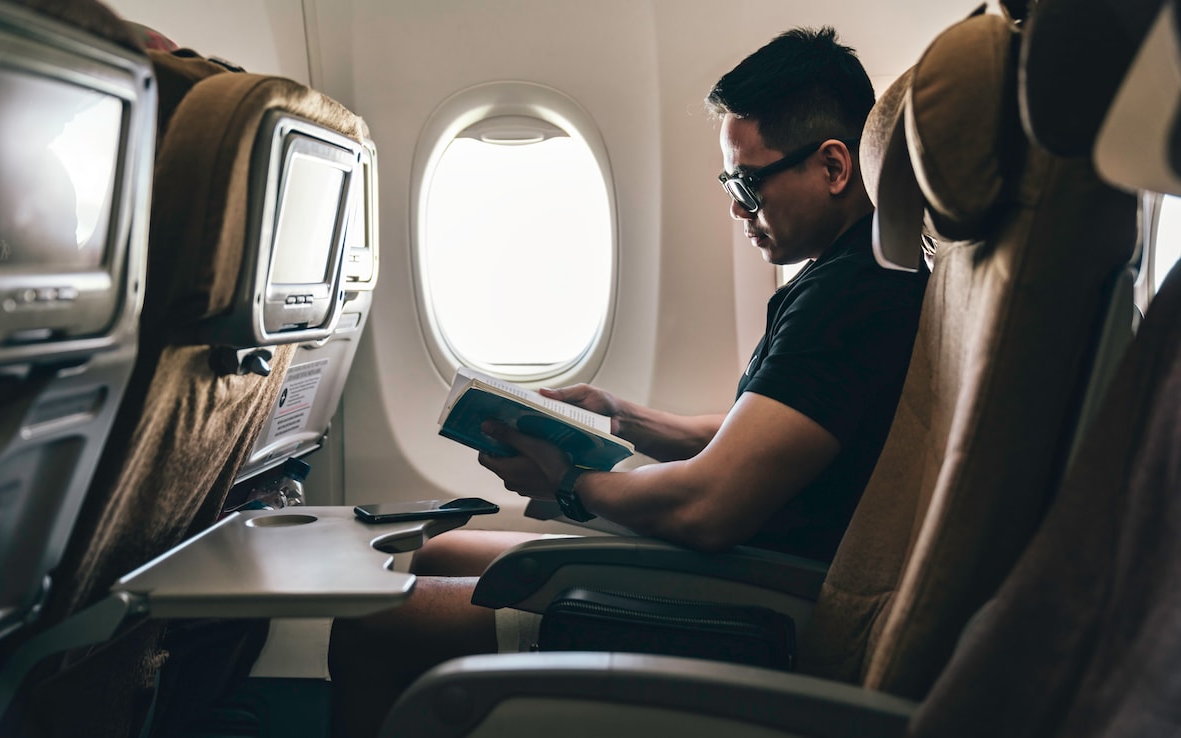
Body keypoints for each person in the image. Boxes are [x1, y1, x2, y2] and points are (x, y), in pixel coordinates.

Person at [328, 26, 928, 736]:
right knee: (427, 552)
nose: (737, 208)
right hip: (751, 566)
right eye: (729, 183)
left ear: (833, 166)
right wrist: (620, 418)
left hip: (759, 605)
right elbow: (767, 435)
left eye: (748, 182)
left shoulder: (852, 298)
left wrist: (569, 485)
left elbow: (709, 506)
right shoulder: (848, 274)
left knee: (371, 622)